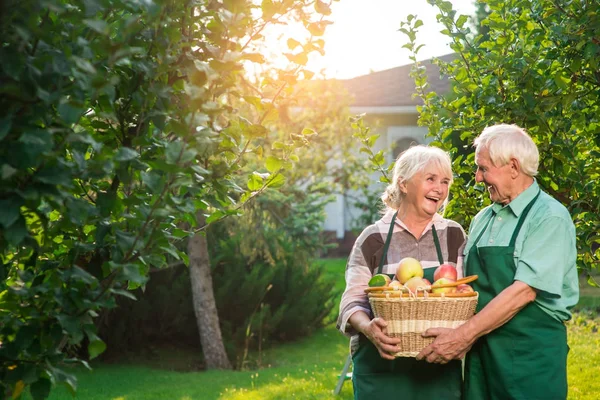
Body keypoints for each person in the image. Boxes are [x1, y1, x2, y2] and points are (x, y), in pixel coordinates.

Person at [416, 124, 579, 400]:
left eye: (483, 168)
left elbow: (524, 291)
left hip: (530, 359)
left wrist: (462, 336)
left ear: (513, 167)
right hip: (482, 357)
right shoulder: (483, 218)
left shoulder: (549, 217)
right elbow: (466, 284)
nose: (478, 178)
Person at [337, 145, 467, 399]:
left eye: (445, 181)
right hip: (383, 373)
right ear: (404, 184)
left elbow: (461, 295)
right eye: (430, 179)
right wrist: (369, 328)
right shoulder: (373, 238)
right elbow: (351, 303)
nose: (440, 189)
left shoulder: (453, 234)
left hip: (437, 372)